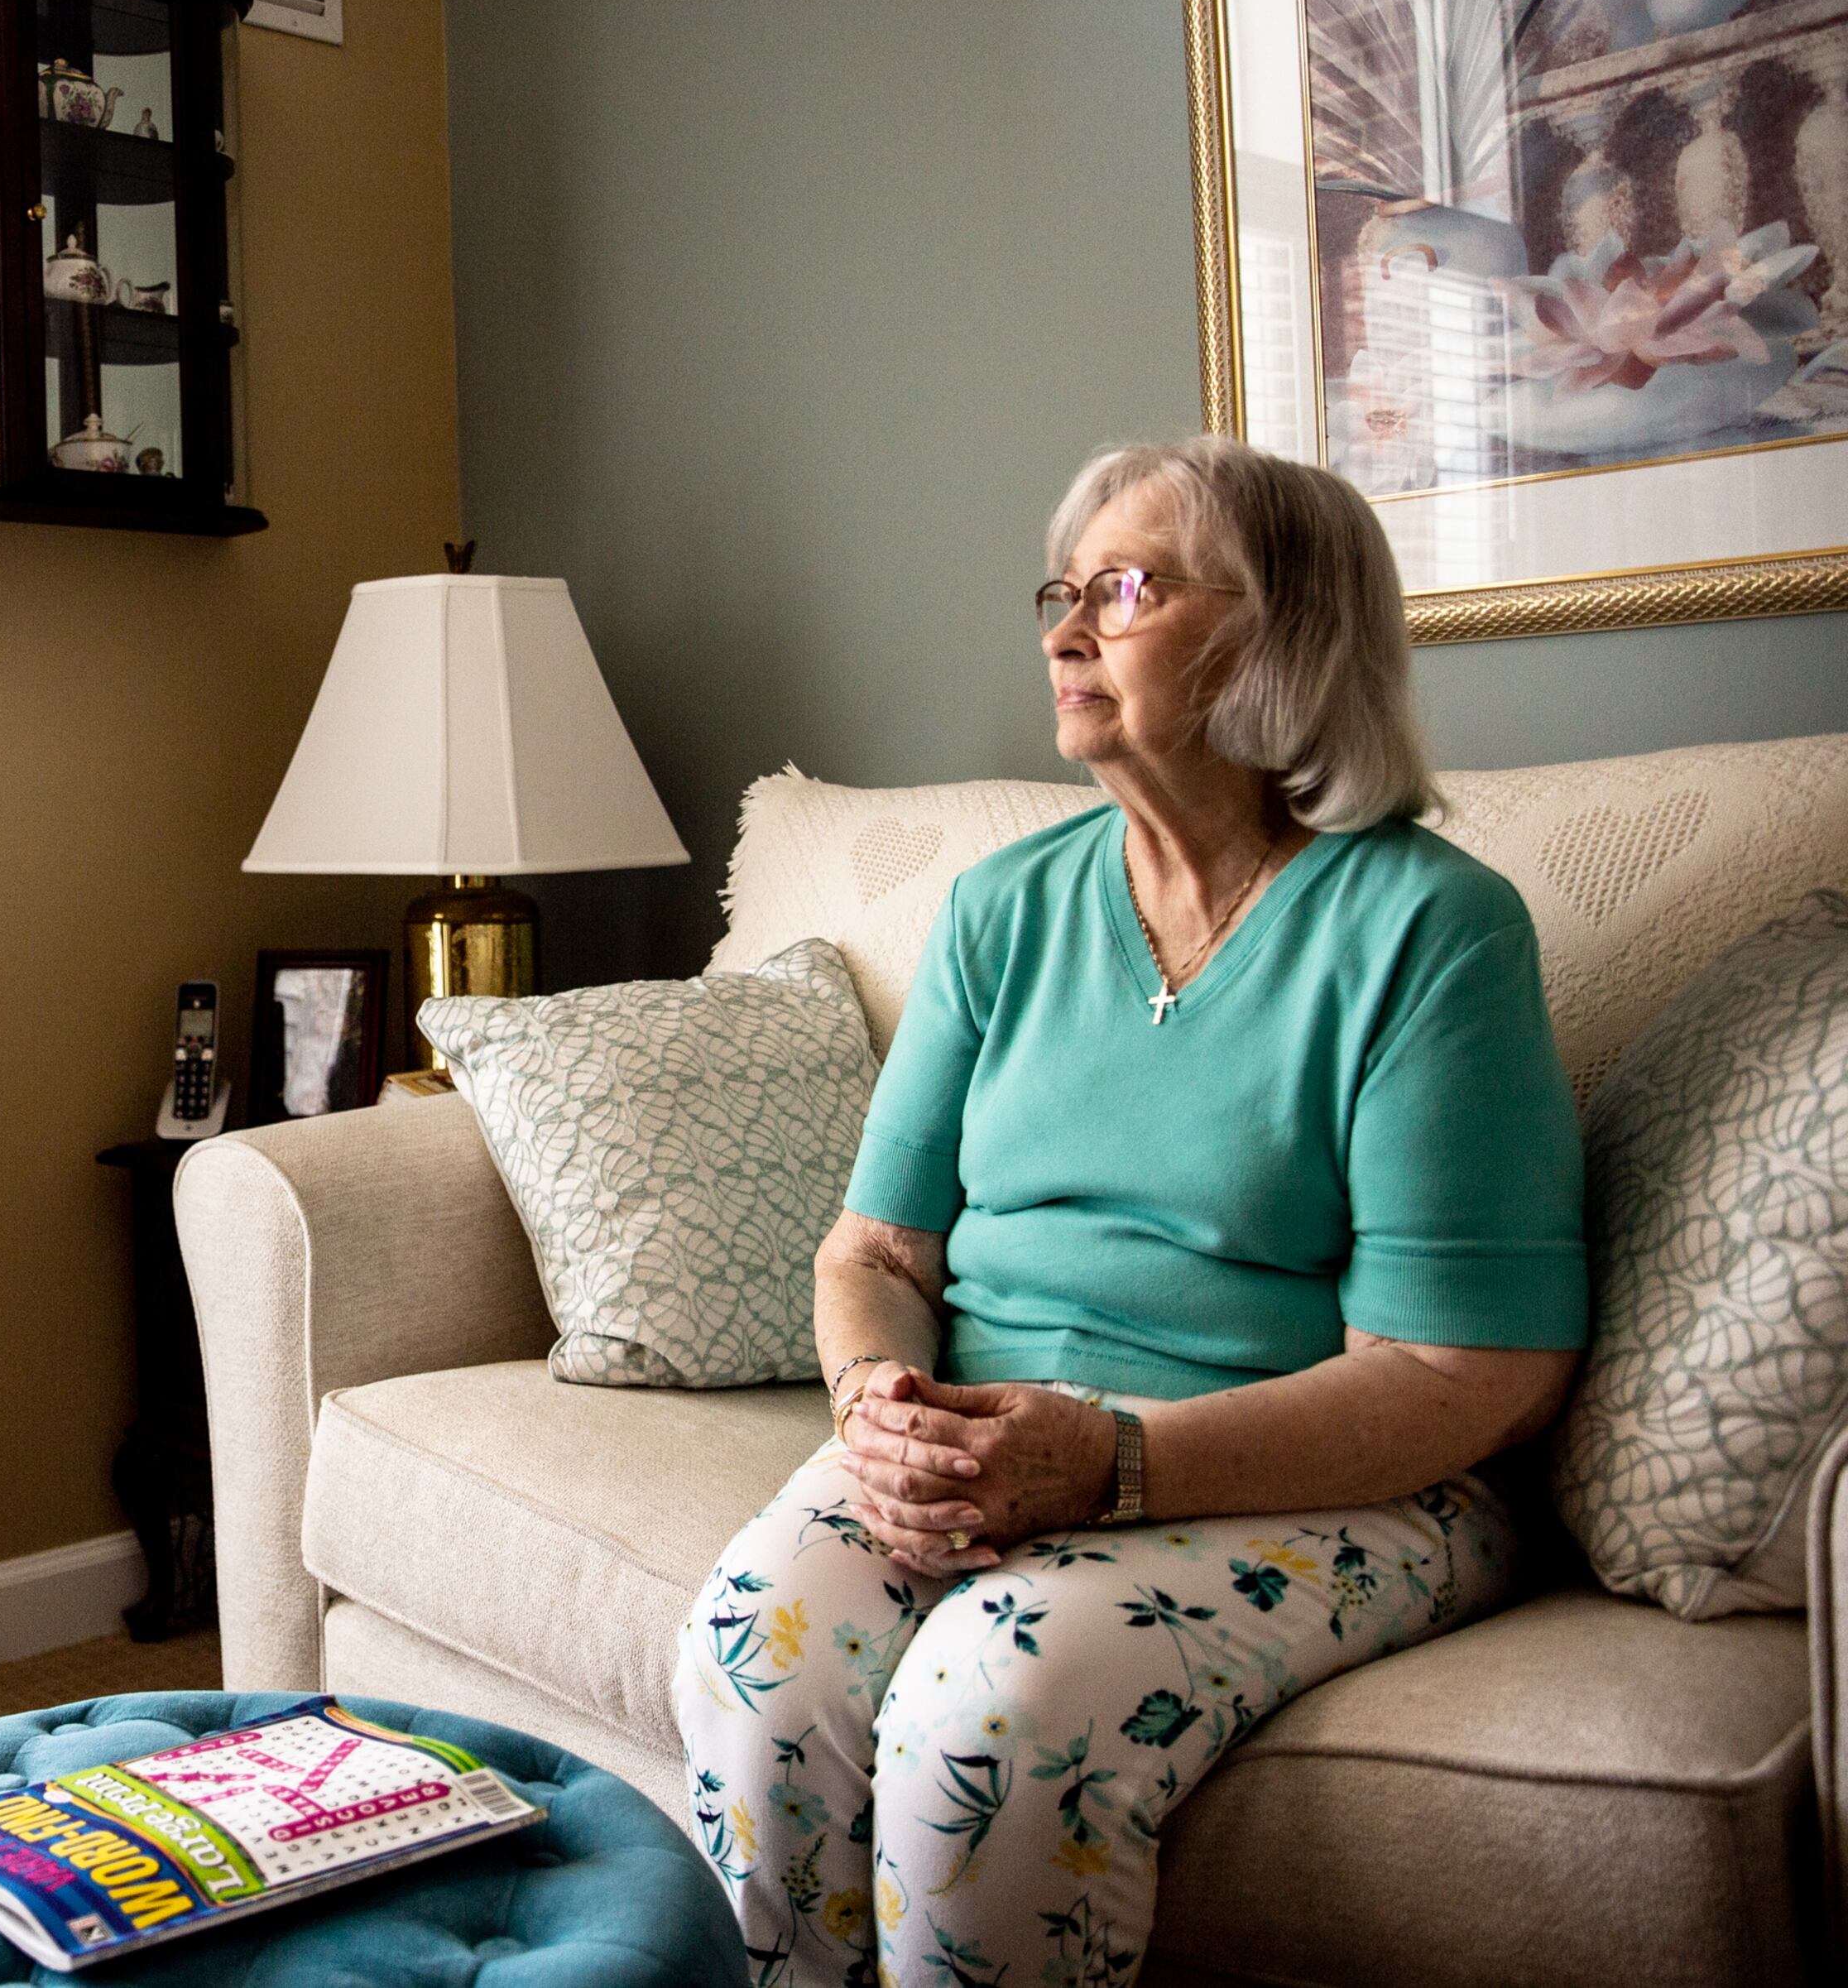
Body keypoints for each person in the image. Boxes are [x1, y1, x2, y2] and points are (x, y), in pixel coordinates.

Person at [673, 436, 1585, 1988]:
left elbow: (1471, 1374)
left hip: (1328, 1479)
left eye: (1128, 588)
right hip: (994, 1443)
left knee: (984, 1714)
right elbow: (877, 1250)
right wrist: (879, 1407)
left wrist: (1106, 1463)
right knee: (753, 1652)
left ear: (1283, 633)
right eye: (1064, 591)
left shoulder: (1431, 931)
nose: (1066, 628)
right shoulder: (1003, 908)